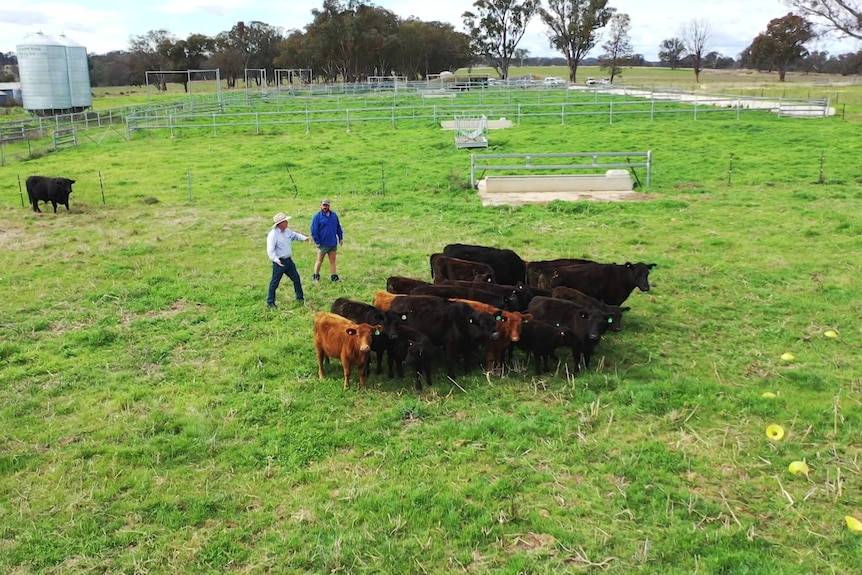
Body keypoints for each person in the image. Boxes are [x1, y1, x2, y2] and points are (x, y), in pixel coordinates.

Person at [266, 212, 311, 307]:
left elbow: (295, 235)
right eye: (285, 221)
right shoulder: (273, 235)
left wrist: (305, 238)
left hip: (288, 261)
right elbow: (270, 249)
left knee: (296, 279)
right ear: (280, 223)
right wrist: (276, 259)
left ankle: (300, 298)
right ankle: (270, 302)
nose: (287, 222)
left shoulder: (287, 231)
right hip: (279, 262)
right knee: (275, 283)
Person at [310, 198, 344, 282]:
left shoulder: (334, 216)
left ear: (329, 206)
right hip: (322, 244)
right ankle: (316, 276)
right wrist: (317, 241)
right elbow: (314, 230)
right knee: (319, 260)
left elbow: (338, 227)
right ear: (321, 206)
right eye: (324, 205)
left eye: (327, 205)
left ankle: (334, 277)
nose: (325, 207)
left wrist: (340, 238)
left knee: (333, 260)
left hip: (332, 243)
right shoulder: (317, 217)